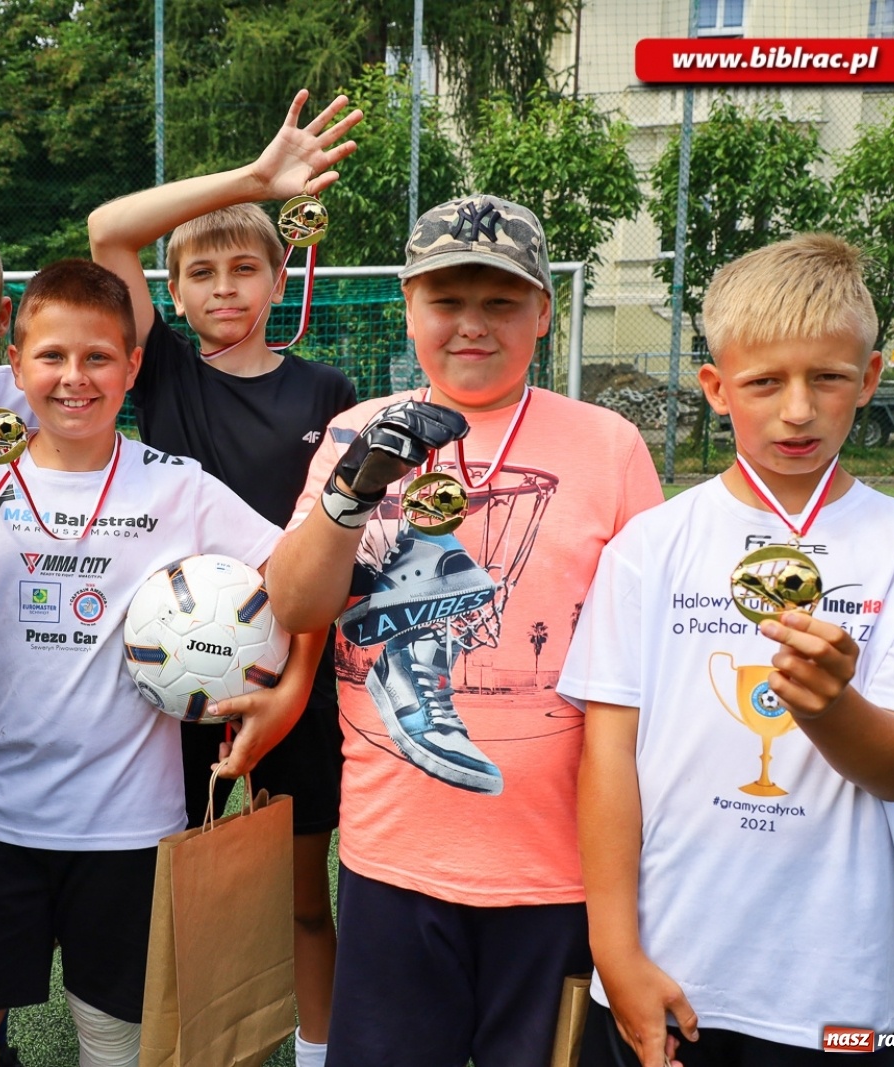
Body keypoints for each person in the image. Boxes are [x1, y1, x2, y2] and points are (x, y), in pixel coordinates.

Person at [559, 233, 894, 1067]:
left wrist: (832, 707)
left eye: (828, 378)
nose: (798, 410)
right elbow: (608, 753)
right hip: (673, 966)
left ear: (869, 378)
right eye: (764, 382)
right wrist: (614, 948)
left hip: (844, 985)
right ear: (716, 388)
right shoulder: (650, 545)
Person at [266, 194, 663, 1066]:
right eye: (447, 301)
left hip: (560, 872)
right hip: (394, 860)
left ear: (544, 312)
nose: (473, 325)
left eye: (501, 302)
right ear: (409, 309)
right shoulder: (354, 429)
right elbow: (294, 604)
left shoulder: (609, 446)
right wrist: (353, 487)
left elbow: (648, 662)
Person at [0, 259, 285, 1067]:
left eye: (98, 357)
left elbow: (289, 579)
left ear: (133, 365)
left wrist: (278, 689)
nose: (74, 377)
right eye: (51, 356)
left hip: (131, 825)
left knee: (118, 1038)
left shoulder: (177, 486)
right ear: (17, 365)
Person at [87, 87, 361, 1067]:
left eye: (245, 267)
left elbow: (330, 550)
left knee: (300, 892)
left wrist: (293, 684)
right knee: (186, 884)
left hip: (298, 677)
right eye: (199, 272)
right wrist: (253, 180)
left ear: (280, 277)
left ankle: (318, 1050)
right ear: (172, 292)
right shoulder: (159, 368)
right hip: (174, 679)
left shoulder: (326, 390)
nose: (224, 288)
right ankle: (196, 1043)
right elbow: (108, 230)